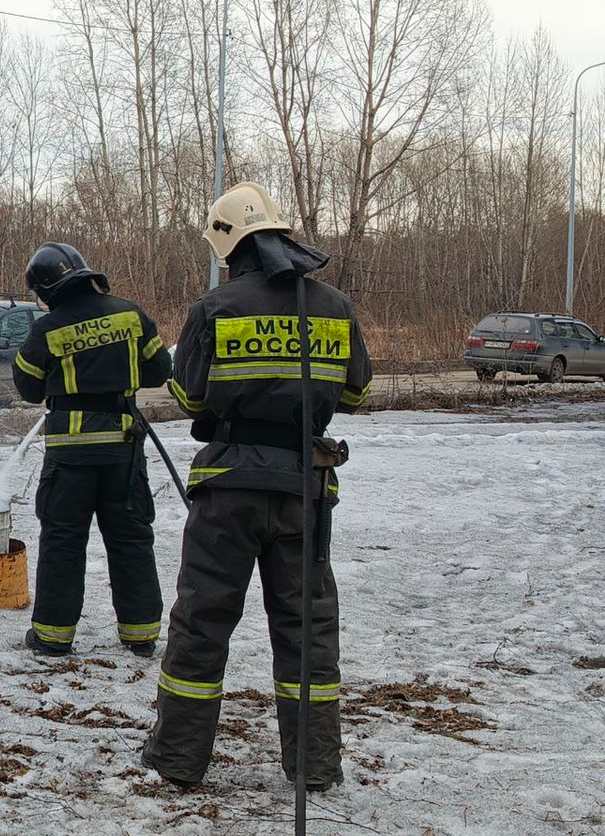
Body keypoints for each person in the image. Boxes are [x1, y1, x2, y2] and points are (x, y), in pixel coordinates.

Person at [142, 183, 372, 791]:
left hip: (228, 490)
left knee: (202, 620)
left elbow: (188, 396)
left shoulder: (213, 308)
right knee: (308, 629)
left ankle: (178, 759)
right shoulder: (335, 305)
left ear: (227, 243)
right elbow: (355, 393)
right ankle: (314, 766)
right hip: (306, 490)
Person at [12, 243, 173, 657]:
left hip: (69, 456)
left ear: (46, 290)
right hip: (123, 449)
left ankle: (52, 636)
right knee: (131, 538)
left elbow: (28, 387)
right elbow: (160, 369)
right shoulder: (130, 314)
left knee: (63, 541)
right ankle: (141, 635)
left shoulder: (47, 330)